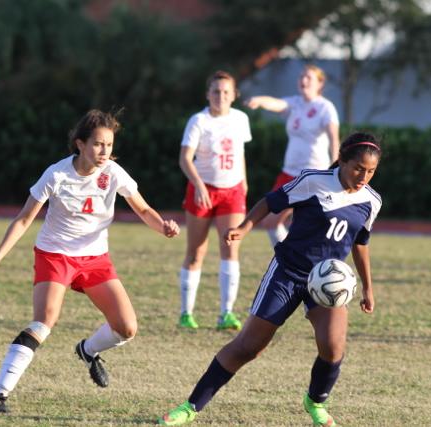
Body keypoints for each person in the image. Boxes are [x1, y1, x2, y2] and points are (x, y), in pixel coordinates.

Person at [158, 132, 382, 426]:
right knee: (248, 347)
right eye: (358, 168)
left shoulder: (371, 201)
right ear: (341, 159)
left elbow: (359, 243)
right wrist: (245, 227)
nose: (363, 176)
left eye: (371, 171)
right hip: (287, 272)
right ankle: (190, 407)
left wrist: (367, 286)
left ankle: (315, 402)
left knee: (333, 347)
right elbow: (270, 202)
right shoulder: (313, 181)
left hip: (327, 284)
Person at [0, 109, 180, 413]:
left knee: (126, 328)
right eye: (98, 144)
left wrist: (163, 226)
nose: (104, 152)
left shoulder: (113, 173)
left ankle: (87, 350)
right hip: (55, 256)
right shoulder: (57, 174)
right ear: (80, 144)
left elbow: (143, 209)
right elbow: (23, 219)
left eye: (109, 145)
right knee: (45, 321)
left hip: (95, 259)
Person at [177, 70, 252, 330]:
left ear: (234, 96)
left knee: (230, 248)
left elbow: (240, 152)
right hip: (203, 189)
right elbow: (185, 158)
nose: (221, 96)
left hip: (232, 191)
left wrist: (243, 181)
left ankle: (226, 314)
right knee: (196, 251)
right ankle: (186, 314)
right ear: (208, 94)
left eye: (226, 92)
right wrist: (199, 185)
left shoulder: (241, 119)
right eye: (216, 91)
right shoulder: (198, 121)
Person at [245, 64, 340, 247]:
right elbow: (276, 103)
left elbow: (334, 140)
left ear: (320, 84)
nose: (303, 80)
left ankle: (310, 264)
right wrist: (259, 100)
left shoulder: (325, 108)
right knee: (270, 221)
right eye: (301, 77)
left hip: (313, 175)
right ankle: (287, 257)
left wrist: (335, 170)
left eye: (308, 77)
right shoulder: (295, 103)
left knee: (308, 225)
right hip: (289, 173)